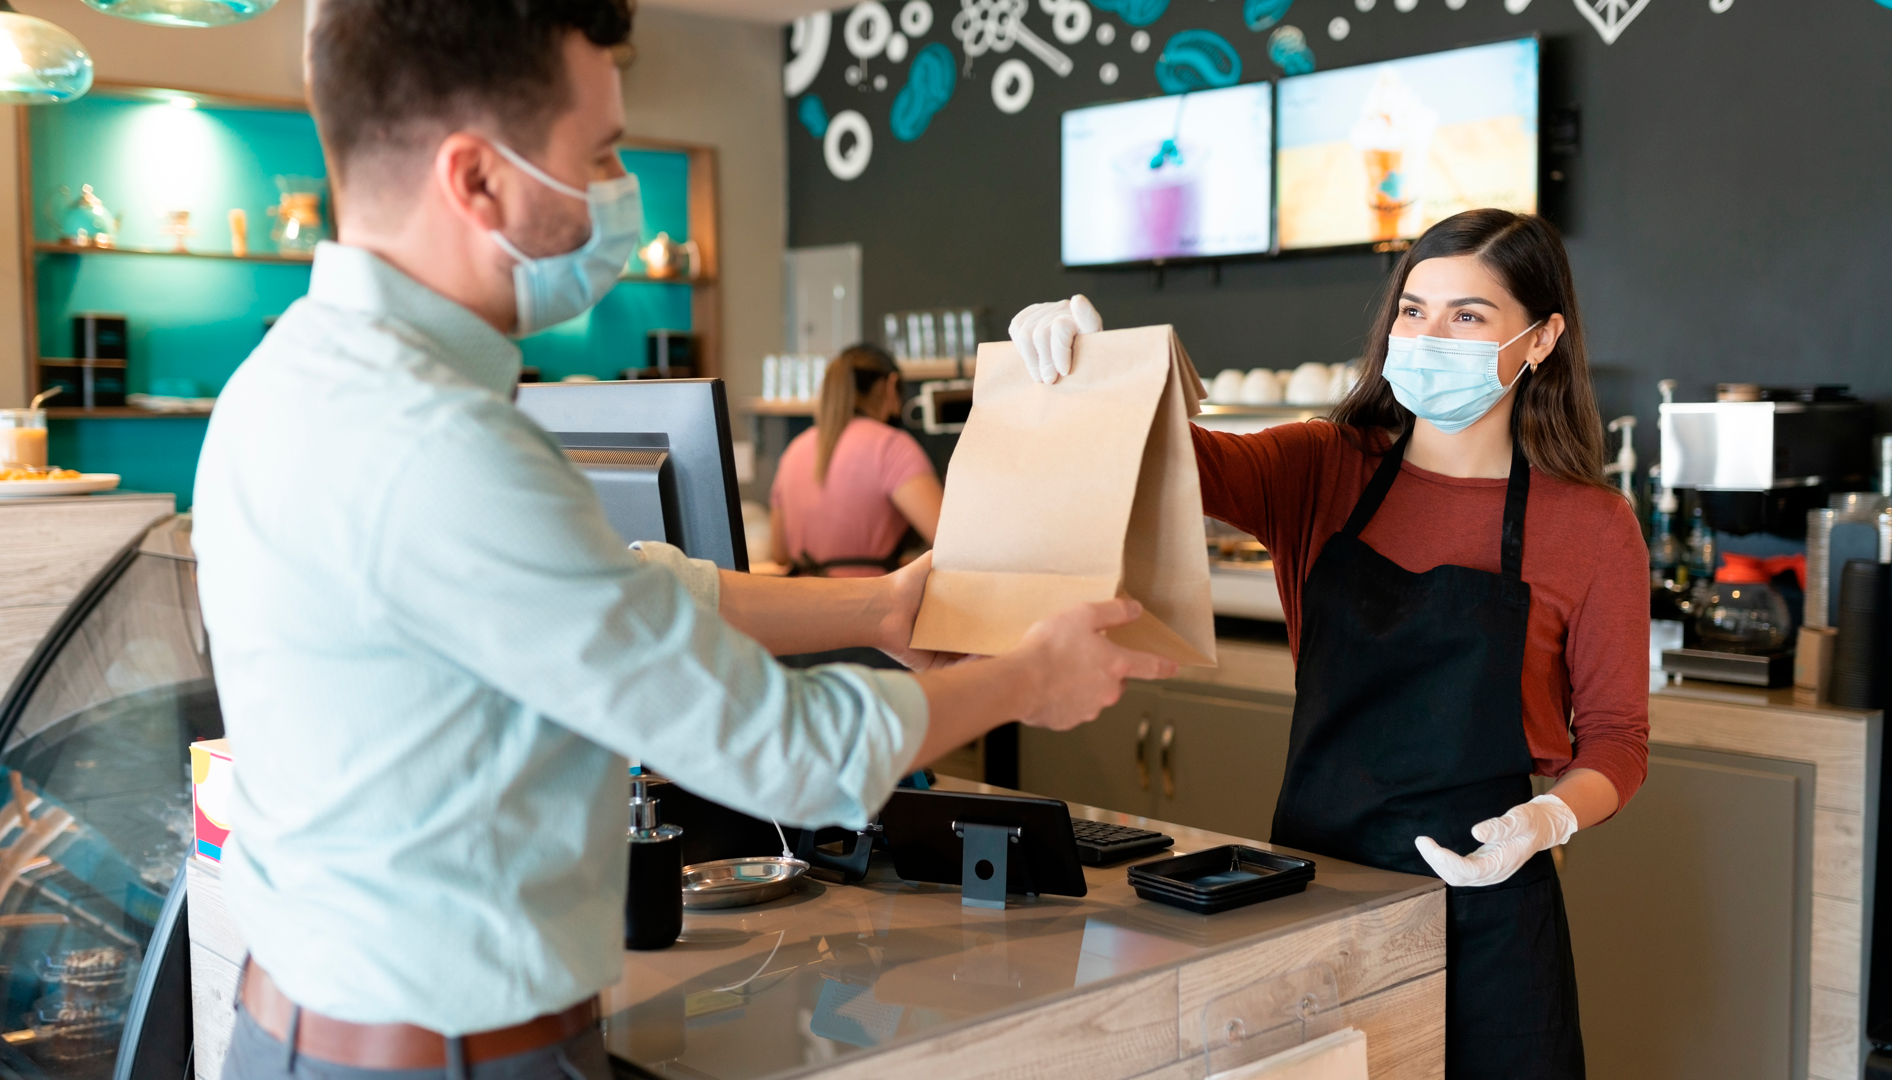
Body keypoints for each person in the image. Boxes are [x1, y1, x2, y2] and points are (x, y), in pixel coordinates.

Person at [191, 5, 1177, 1080]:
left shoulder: (283, 379)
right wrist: (1032, 676)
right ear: (476, 179)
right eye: (601, 154)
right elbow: (793, 753)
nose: (623, 194)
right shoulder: (447, 446)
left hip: (291, 1031)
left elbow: (616, 591)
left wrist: (874, 609)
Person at [1014, 209, 1650, 1079]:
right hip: (1317, 897)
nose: (1431, 334)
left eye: (1468, 315)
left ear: (1540, 340)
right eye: (1414, 309)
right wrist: (1091, 366)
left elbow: (1617, 741)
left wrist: (1545, 820)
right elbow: (1165, 460)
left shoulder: (1594, 527)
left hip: (1493, 920)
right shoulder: (1322, 469)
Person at [768, 344, 942, 577]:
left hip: (804, 604)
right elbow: (948, 542)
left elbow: (780, 553)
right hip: (871, 605)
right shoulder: (891, 446)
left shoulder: (794, 450)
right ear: (890, 386)